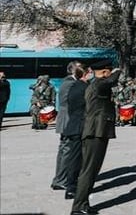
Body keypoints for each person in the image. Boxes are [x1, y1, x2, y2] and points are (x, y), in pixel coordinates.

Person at [71, 60, 121, 215]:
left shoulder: (96, 84)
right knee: (89, 170)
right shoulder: (99, 84)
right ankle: (79, 207)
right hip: (95, 132)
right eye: (109, 71)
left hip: (96, 131)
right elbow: (112, 80)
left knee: (91, 170)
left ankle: (82, 204)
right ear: (105, 72)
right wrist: (118, 70)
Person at [51, 61, 88, 199]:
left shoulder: (69, 82)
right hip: (68, 119)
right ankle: (61, 180)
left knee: (65, 150)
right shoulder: (70, 83)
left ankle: (60, 179)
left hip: (68, 119)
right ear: (74, 71)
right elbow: (68, 103)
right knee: (67, 151)